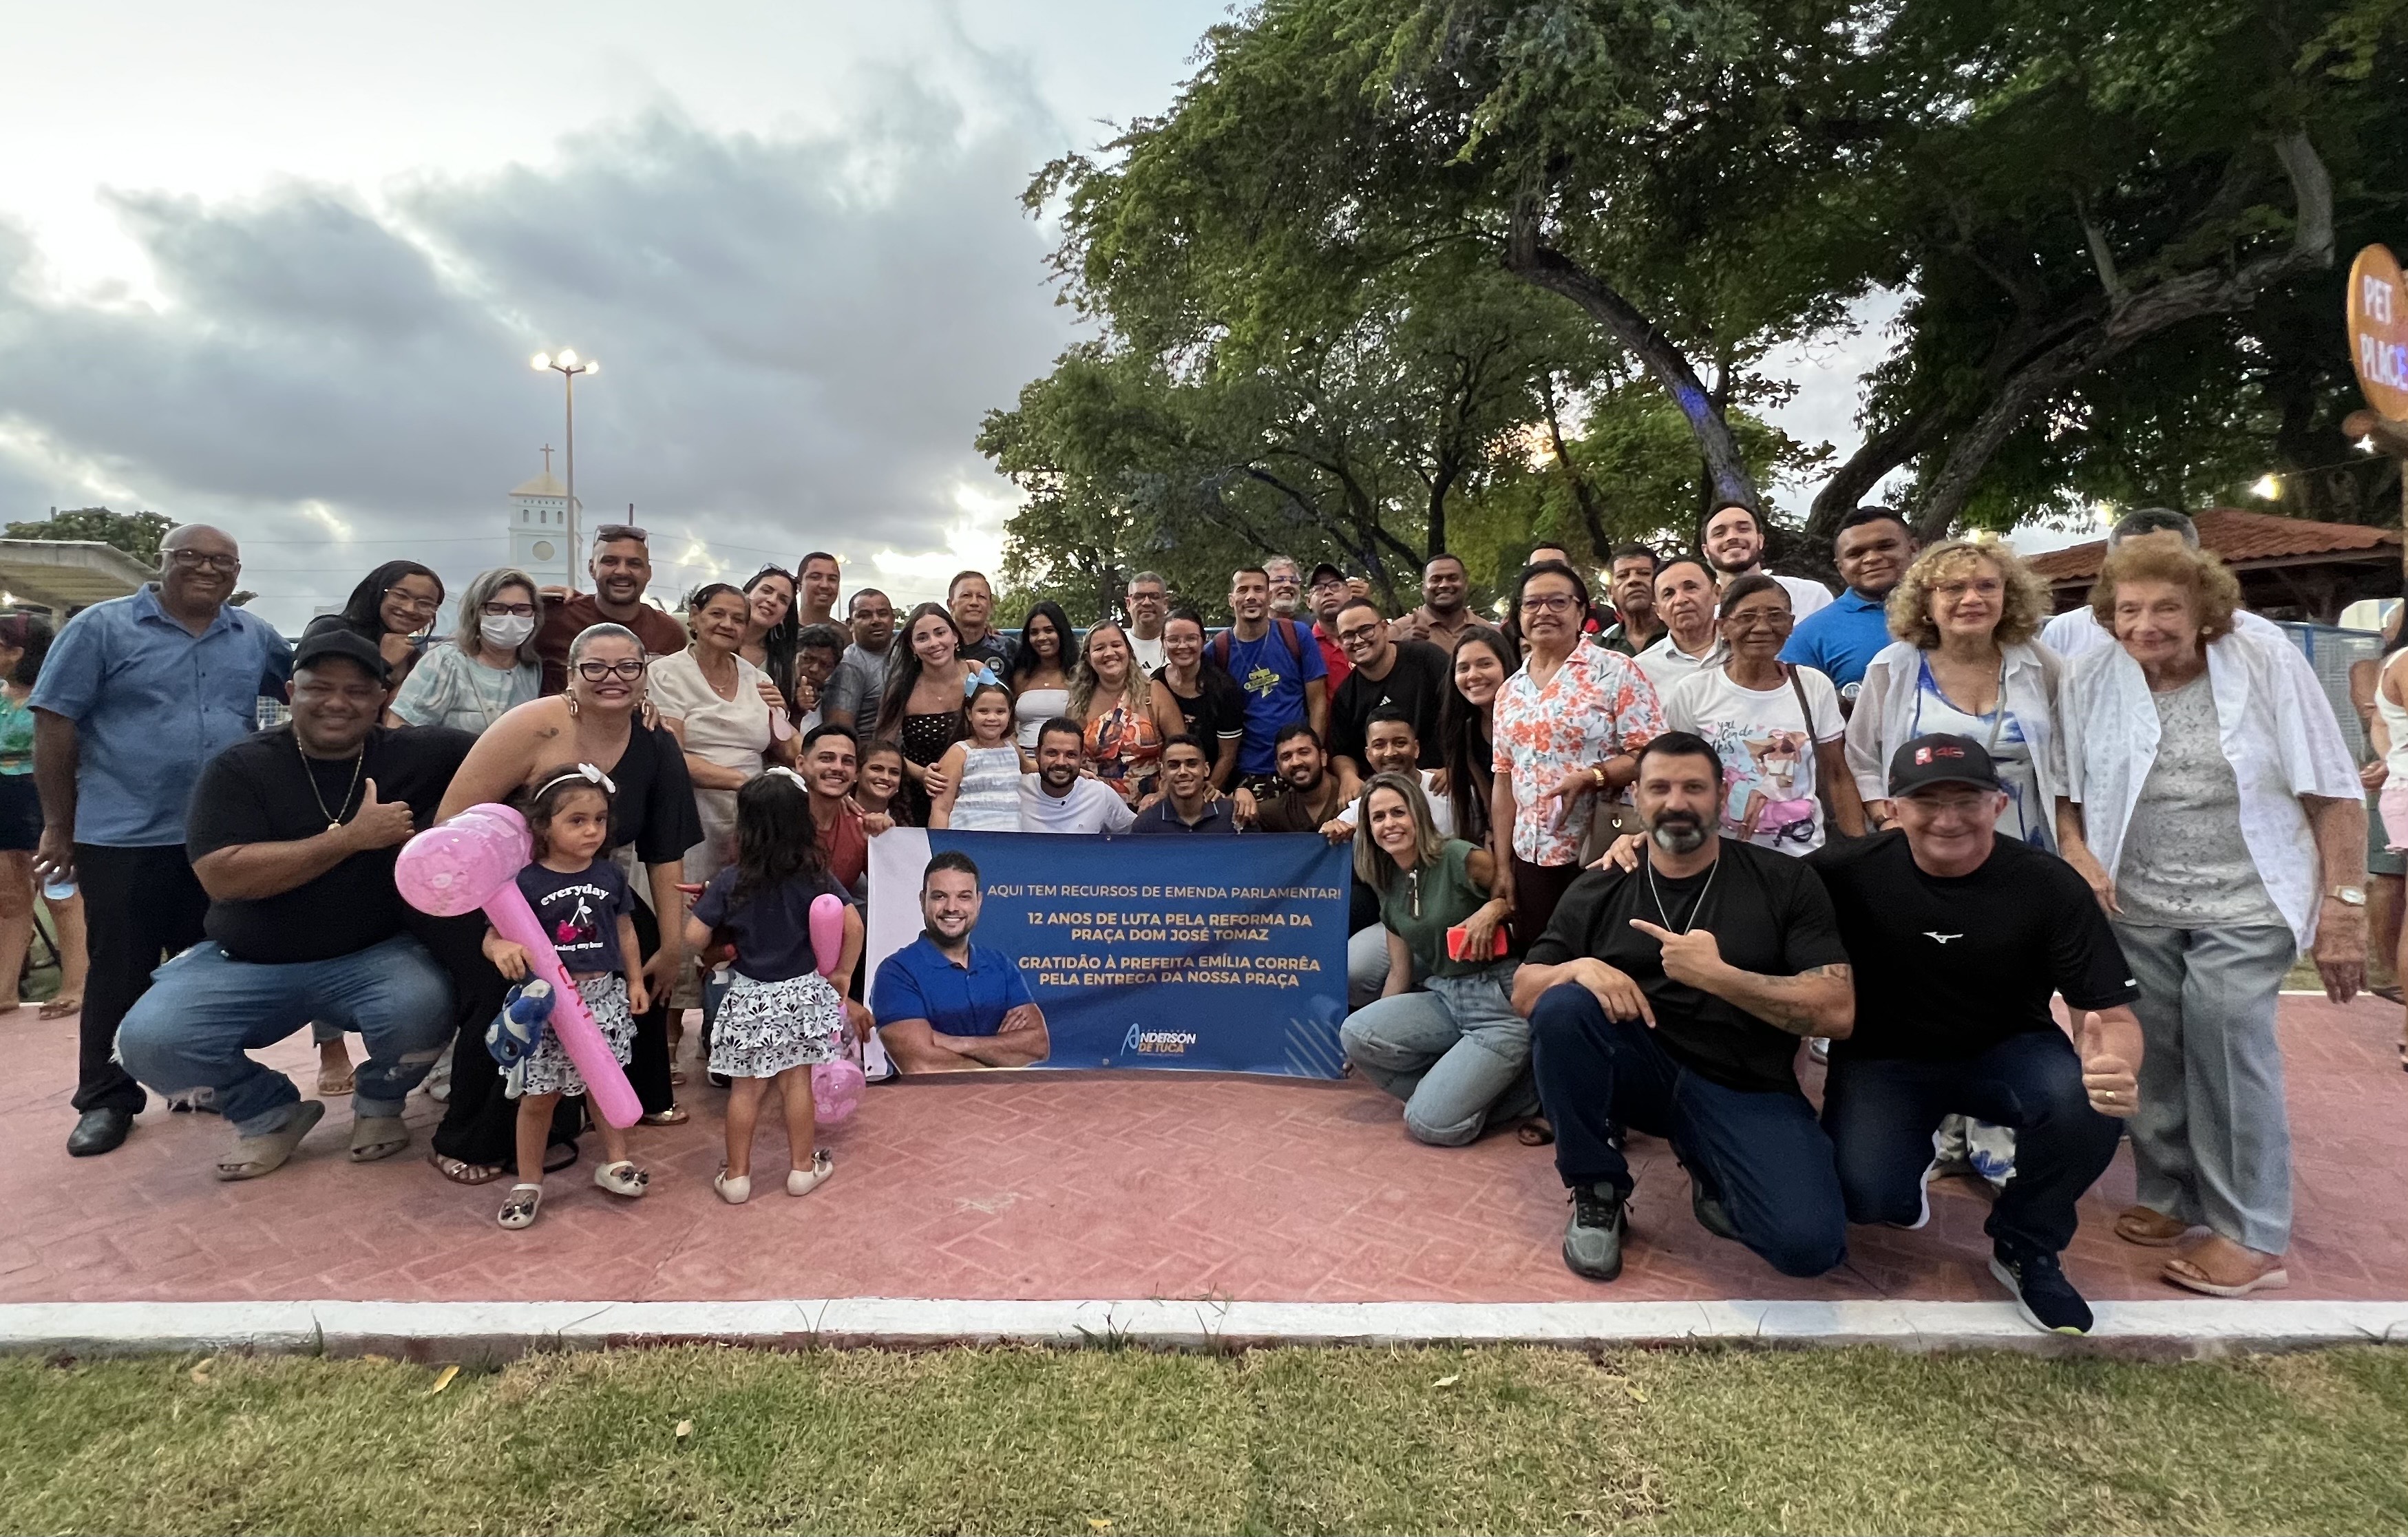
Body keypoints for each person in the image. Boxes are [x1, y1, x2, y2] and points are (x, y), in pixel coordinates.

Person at [2056, 539, 2364, 1298]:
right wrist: (2078, 852)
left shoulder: (2263, 659)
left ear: (2205, 613)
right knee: (2153, 1043)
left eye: (2167, 607)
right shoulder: (2098, 671)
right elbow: (2063, 781)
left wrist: (2345, 908)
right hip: (2139, 893)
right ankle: (2171, 1192)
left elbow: (2331, 789)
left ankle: (2252, 1230)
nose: (2147, 624)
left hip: (2249, 894)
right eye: (2130, 610)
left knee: (2227, 1036)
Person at [1809, 734, 2142, 1335]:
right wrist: (1641, 837)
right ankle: (1907, 1157)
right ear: (1893, 806)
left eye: (1966, 800)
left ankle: (2026, 1242)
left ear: (1998, 802)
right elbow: (1742, 885)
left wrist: (2114, 1063)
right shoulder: (1844, 871)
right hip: (1886, 1057)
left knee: (2086, 1102)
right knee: (1867, 1200)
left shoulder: (2049, 885)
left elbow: (2112, 1017)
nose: (1947, 818)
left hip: (2008, 1048)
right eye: (1926, 800)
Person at [113, 630, 465, 1180]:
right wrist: (349, 839)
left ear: (382, 698)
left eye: (355, 690)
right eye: (319, 687)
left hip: (374, 954)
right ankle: (269, 1112)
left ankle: (380, 1103)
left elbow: (515, 756)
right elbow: (222, 874)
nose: (337, 702)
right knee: (149, 1040)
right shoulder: (240, 766)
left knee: (426, 1001)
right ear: (289, 691)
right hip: (246, 961)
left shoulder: (423, 752)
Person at [1511, 732, 1855, 1282]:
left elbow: (1836, 1010)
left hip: (1744, 1084)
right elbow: (1525, 991)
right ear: (1638, 800)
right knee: (1563, 1008)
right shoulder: (1599, 886)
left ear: (1722, 794)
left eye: (1694, 787)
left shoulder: (1784, 882)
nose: (1676, 802)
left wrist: (1723, 978)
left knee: (1809, 1246)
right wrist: (1574, 968)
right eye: (1660, 788)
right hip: (1639, 1071)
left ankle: (1711, 1162)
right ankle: (1596, 1186)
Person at [32, 522, 293, 1157]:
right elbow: (55, 723)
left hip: (219, 837)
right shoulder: (101, 628)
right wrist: (58, 825)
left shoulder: (254, 636)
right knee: (120, 966)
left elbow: (303, 693)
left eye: (223, 561)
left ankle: (198, 1080)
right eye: (192, 557)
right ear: (163, 562)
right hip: (123, 832)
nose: (208, 569)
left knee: (207, 967)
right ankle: (105, 1098)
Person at [430, 624, 704, 1182]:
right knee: (508, 988)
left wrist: (673, 947)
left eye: (628, 667)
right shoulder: (536, 723)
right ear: (571, 673)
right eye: (595, 667)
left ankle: (634, 1095)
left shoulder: (654, 738)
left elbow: (665, 848)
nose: (612, 679)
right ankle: (474, 1136)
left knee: (647, 945)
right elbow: (449, 824)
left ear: (644, 673)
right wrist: (499, 922)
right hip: (500, 891)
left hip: (586, 886)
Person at [483, 764, 653, 1229]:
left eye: (599, 819)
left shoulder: (610, 875)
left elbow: (625, 930)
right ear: (543, 825)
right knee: (540, 1098)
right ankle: (529, 1180)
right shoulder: (524, 882)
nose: (592, 830)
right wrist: (502, 949)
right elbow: (492, 935)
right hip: (546, 1008)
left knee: (607, 1083)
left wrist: (635, 981)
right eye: (576, 820)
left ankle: (616, 1161)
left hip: (603, 997)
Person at [688, 770, 868, 1203]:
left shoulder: (732, 880)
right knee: (796, 1084)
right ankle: (802, 1170)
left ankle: (737, 1177)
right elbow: (853, 923)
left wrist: (721, 945)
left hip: (749, 994)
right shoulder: (815, 875)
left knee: (745, 1088)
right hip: (801, 994)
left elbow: (693, 939)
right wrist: (842, 972)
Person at [1340, 772, 1535, 1145]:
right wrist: (1369, 1039)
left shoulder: (1459, 856)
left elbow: (1522, 898)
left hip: (1498, 1001)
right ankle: (1457, 1087)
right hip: (1447, 995)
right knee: (1355, 1033)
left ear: (1418, 813)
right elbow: (1400, 972)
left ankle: (1525, 1093)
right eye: (1378, 818)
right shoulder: (1387, 881)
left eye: (1398, 812)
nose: (1389, 824)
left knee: (1429, 1125)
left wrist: (1493, 909)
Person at [1846, 539, 2064, 847]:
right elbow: (1861, 756)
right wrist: (1886, 820)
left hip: (2026, 850)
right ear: (1926, 604)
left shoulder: (2040, 664)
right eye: (1953, 588)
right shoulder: (1893, 667)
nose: (1972, 598)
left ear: (2008, 595)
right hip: (1924, 849)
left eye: (1987, 586)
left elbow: (2066, 763)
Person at [1490, 559, 1664, 940]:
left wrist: (1593, 777)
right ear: (1518, 615)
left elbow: (1654, 757)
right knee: (1544, 962)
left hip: (1605, 848)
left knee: (1605, 960)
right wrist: (1504, 866)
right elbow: (1504, 781)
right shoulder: (1509, 691)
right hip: (1531, 859)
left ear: (1581, 611)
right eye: (1532, 604)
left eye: (1558, 602)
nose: (1544, 612)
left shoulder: (1615, 671)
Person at [1661, 575, 1865, 854]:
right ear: (1723, 628)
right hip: (1721, 858)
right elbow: (1675, 775)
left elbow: (1837, 774)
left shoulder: (1812, 685)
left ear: (1791, 625)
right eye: (1746, 617)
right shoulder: (1693, 692)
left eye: (1775, 616)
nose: (1762, 627)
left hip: (1804, 857)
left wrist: (1859, 851)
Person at [648, 583, 790, 887]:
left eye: (738, 619)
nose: (728, 624)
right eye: (717, 614)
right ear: (695, 617)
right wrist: (747, 783)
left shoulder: (759, 678)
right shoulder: (665, 673)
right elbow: (672, 757)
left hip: (751, 820)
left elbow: (788, 746)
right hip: (688, 813)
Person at [2038, 508, 2300, 660]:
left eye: (2169, 559)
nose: (2151, 568)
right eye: (2133, 560)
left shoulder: (2261, 641)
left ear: (2199, 564)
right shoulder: (2065, 632)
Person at [873, 850, 1052, 1072]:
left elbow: (1038, 1046)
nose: (951, 907)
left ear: (979, 902)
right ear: (922, 901)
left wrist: (952, 1042)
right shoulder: (896, 973)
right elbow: (922, 1066)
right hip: (926, 1104)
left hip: (1003, 1103)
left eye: (964, 896)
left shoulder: (1000, 966)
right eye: (940, 896)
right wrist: (1002, 1058)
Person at [0, 617, 85, 1019]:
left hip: (40, 796)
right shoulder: (0, 695)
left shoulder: (54, 696)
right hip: (3, 798)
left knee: (60, 892)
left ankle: (76, 985)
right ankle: (4, 988)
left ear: (19, 653)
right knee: (9, 895)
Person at [1212, 566, 1329, 796]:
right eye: (1243, 590)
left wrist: (1314, 756)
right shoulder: (1217, 649)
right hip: (1248, 771)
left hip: (1299, 767)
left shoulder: (1297, 635)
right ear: (1231, 599)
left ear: (1269, 595)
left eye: (1258, 589)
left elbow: (1319, 702)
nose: (1251, 597)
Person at [874, 602, 993, 824]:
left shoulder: (977, 672)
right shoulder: (902, 687)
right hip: (919, 796)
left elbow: (1004, 726)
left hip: (978, 792)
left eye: (940, 633)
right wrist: (922, 774)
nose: (934, 643)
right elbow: (883, 749)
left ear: (955, 637)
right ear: (912, 647)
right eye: (922, 638)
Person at [532, 524, 688, 694]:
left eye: (634, 564)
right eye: (610, 561)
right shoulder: (554, 618)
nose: (622, 571)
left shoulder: (667, 632)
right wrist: (531, 594)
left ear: (648, 573)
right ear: (592, 568)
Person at [390, 566, 544, 734]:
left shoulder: (532, 668)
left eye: (521, 609)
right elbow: (399, 732)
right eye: (495, 608)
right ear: (475, 613)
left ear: (535, 614)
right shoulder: (446, 662)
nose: (510, 617)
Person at [1782, 507, 1917, 697]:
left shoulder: (1956, 611)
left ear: (1913, 549)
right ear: (1840, 567)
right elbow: (1790, 708)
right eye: (1856, 553)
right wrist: (1850, 697)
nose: (1872, 558)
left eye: (1885, 546)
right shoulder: (1810, 636)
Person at [1328, 598, 1448, 785]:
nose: (1358, 640)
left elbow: (1465, 715)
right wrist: (1348, 777)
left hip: (1441, 783)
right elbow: (1342, 751)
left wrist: (1456, 767)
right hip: (1388, 792)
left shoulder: (1428, 660)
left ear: (1384, 628)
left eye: (1366, 629)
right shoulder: (1345, 696)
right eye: (1348, 635)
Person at [1073, 621, 1182, 805]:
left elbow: (1181, 750)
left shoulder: (1153, 693)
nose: (1109, 653)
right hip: (1094, 804)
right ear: (1089, 659)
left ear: (1129, 652)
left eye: (1116, 645)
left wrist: (1162, 794)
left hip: (1151, 806)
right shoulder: (1078, 704)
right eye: (1099, 648)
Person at [306, 560, 444, 697]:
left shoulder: (414, 657)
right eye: (401, 596)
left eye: (425, 603)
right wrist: (383, 662)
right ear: (377, 593)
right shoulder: (331, 630)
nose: (410, 609)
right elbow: (317, 694)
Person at [1436, 625, 1518, 847]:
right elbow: (1491, 805)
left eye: (1485, 664)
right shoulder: (1468, 730)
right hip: (1507, 837)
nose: (1473, 676)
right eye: (1463, 668)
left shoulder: (1528, 718)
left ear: (1506, 666)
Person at [1156, 607, 1247, 792]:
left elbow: (1227, 755)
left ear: (1203, 641)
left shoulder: (1224, 690)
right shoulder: (1156, 684)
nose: (1182, 646)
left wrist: (1206, 792)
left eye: (1191, 638)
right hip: (1171, 785)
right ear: (1163, 643)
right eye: (1173, 639)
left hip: (1215, 786)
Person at [1700, 502, 1833, 619]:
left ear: (1761, 541)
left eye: (1743, 529)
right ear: (1706, 551)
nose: (1732, 537)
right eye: (1719, 533)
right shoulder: (1702, 614)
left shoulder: (1810, 596)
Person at [929, 682, 1026, 831]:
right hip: (968, 836)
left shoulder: (1012, 748)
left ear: (1010, 713)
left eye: (1000, 711)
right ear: (969, 713)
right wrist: (940, 846)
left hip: (1011, 836)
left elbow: (1032, 768)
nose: (992, 718)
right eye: (983, 711)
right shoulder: (959, 752)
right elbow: (941, 808)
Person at [797, 723, 878, 893]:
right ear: (801, 764)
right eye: (826, 758)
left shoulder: (863, 826)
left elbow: (893, 888)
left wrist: (886, 842)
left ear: (857, 774)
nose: (837, 768)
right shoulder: (775, 815)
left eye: (847, 761)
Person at [1022, 718, 1138, 834]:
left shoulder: (1100, 794)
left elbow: (1134, 835)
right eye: (1052, 753)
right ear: (1037, 754)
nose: (1061, 762)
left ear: (1081, 758)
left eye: (1071, 755)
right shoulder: (1018, 790)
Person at [1632, 558, 1727, 695]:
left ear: (1717, 594)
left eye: (1691, 588)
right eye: (1668, 594)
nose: (1681, 600)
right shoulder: (1641, 670)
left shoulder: (1745, 648)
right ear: (1658, 610)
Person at [1130, 735, 1243, 834]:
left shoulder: (1235, 816)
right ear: (1163, 773)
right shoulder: (1145, 825)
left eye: (1192, 764)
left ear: (1206, 769)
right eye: (1174, 766)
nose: (1183, 772)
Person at [1251, 724, 1351, 834]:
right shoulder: (1274, 813)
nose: (1296, 762)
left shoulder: (1354, 797)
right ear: (1279, 768)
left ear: (1323, 757)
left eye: (1304, 752)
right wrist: (1241, 794)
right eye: (1286, 757)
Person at [821, 588, 896, 730]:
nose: (876, 620)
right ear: (850, 624)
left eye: (883, 613)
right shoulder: (848, 665)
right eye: (865, 615)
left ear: (893, 619)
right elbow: (839, 732)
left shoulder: (907, 653)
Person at [1006, 601, 1075, 752]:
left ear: (1061, 632)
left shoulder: (1079, 675)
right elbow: (1007, 727)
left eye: (1049, 630)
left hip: (1064, 760)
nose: (1041, 637)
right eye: (1034, 632)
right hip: (1023, 758)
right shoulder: (1020, 676)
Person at [736, 565, 799, 713]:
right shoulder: (703, 632)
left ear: (784, 616)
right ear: (746, 594)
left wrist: (781, 709)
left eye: (783, 600)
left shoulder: (784, 664)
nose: (772, 600)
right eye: (766, 591)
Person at [1389, 553, 1481, 653]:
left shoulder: (1487, 630)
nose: (1444, 585)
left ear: (1466, 584)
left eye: (1453, 578)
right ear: (1423, 588)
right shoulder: (1398, 630)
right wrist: (1401, 648)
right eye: (1436, 580)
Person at [947, 571, 1018, 675]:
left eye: (981, 597)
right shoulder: (937, 649)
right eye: (966, 595)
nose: (974, 602)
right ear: (950, 604)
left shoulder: (1009, 649)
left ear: (990, 605)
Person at [1596, 546, 1662, 657]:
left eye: (1644, 573)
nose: (1633, 580)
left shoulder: (1681, 635)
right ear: (1610, 592)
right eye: (1622, 576)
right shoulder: (1597, 648)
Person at [1305, 562, 1355, 688]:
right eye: (1318, 588)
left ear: (1350, 593)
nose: (1327, 592)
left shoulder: (1368, 638)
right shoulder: (1302, 646)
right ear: (1308, 602)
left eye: (1335, 586)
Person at [792, 622, 848, 732]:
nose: (814, 669)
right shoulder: (774, 689)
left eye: (825, 665)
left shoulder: (830, 702)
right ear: (794, 656)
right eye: (807, 659)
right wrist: (797, 710)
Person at [856, 739, 913, 827]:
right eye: (876, 769)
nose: (886, 777)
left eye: (894, 772)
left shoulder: (905, 826)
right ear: (857, 773)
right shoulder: (835, 817)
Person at [1123, 571, 1170, 675]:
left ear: (1165, 603)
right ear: (1128, 604)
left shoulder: (1178, 647)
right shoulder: (1118, 646)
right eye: (1139, 597)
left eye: (1154, 596)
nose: (1146, 602)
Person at [794, 551, 842, 630]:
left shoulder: (847, 637)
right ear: (799, 584)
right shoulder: (779, 632)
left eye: (832, 579)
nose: (825, 585)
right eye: (815, 577)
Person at [1263, 554, 1305, 619]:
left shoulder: (1311, 626)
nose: (1288, 585)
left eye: (1293, 581)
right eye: (1279, 580)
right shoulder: (1251, 626)